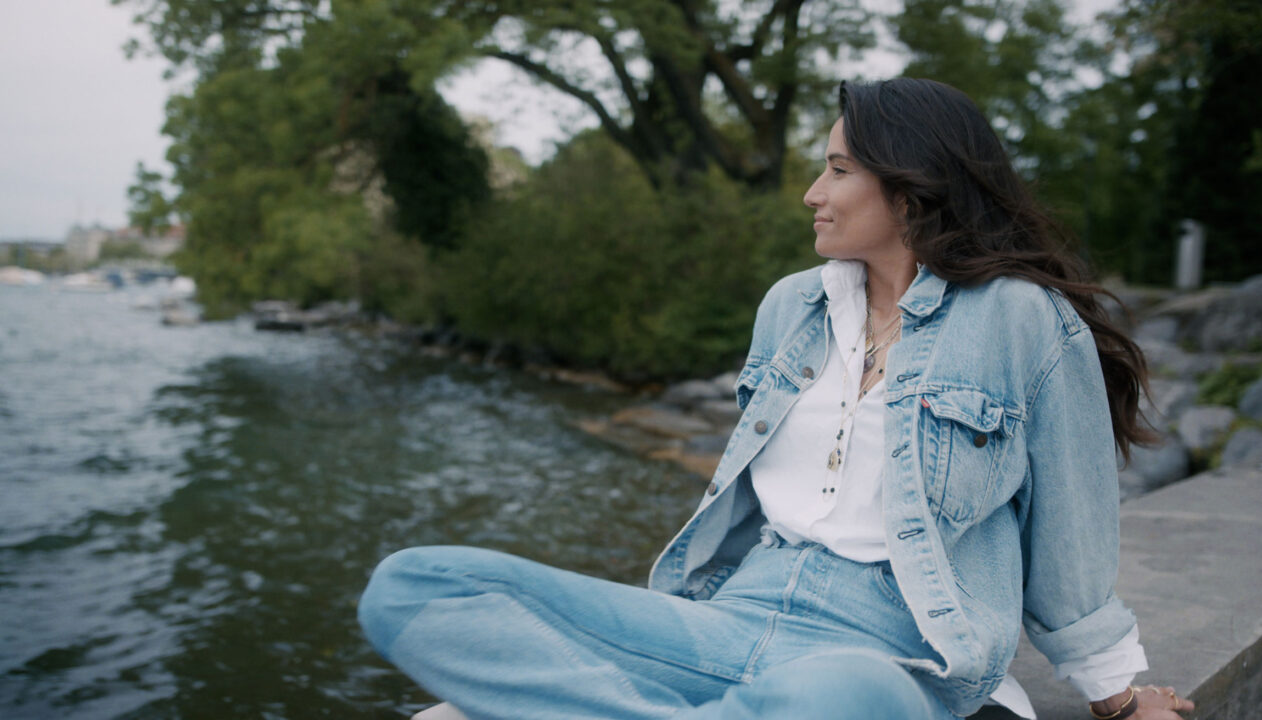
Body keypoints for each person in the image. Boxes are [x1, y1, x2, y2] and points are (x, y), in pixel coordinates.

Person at [358, 78, 1195, 720]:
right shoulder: (790, 306)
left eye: (836, 170)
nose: (812, 193)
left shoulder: (1023, 320)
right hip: (727, 617)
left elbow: (1072, 537)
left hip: (891, 648)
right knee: (414, 585)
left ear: (911, 188)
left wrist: (1118, 696)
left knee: (841, 699)